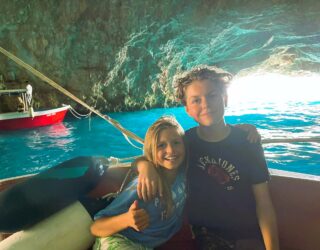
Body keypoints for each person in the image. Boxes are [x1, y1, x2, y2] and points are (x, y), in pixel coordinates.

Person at [136, 65, 279, 250]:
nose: (206, 104)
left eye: (212, 96)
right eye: (196, 100)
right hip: (207, 234)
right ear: (187, 109)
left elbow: (263, 203)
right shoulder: (185, 143)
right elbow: (148, 158)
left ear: (225, 99)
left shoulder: (247, 141)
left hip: (248, 234)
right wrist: (145, 167)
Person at [90, 116, 187, 250]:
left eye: (176, 142)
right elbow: (96, 228)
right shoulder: (144, 186)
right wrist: (128, 219)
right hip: (122, 240)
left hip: (152, 243)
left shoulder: (183, 174)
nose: (171, 150)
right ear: (151, 151)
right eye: (161, 145)